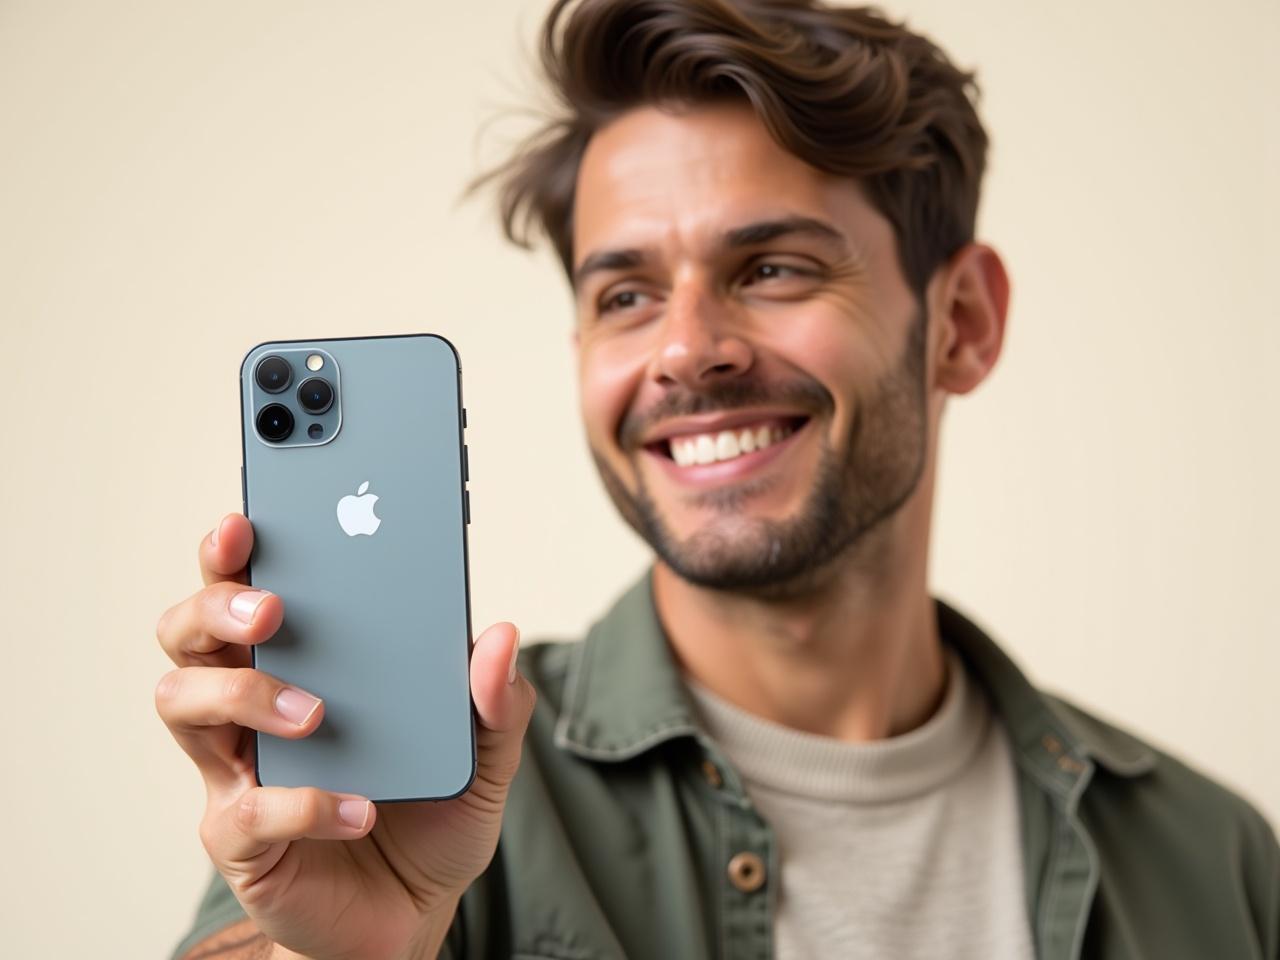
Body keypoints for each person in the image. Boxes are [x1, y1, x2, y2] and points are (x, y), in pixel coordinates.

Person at [157, 1, 1280, 958]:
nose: (686, 350)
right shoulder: (419, 803)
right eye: (626, 295)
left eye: (772, 267)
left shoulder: (1213, 864)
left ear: (962, 324)